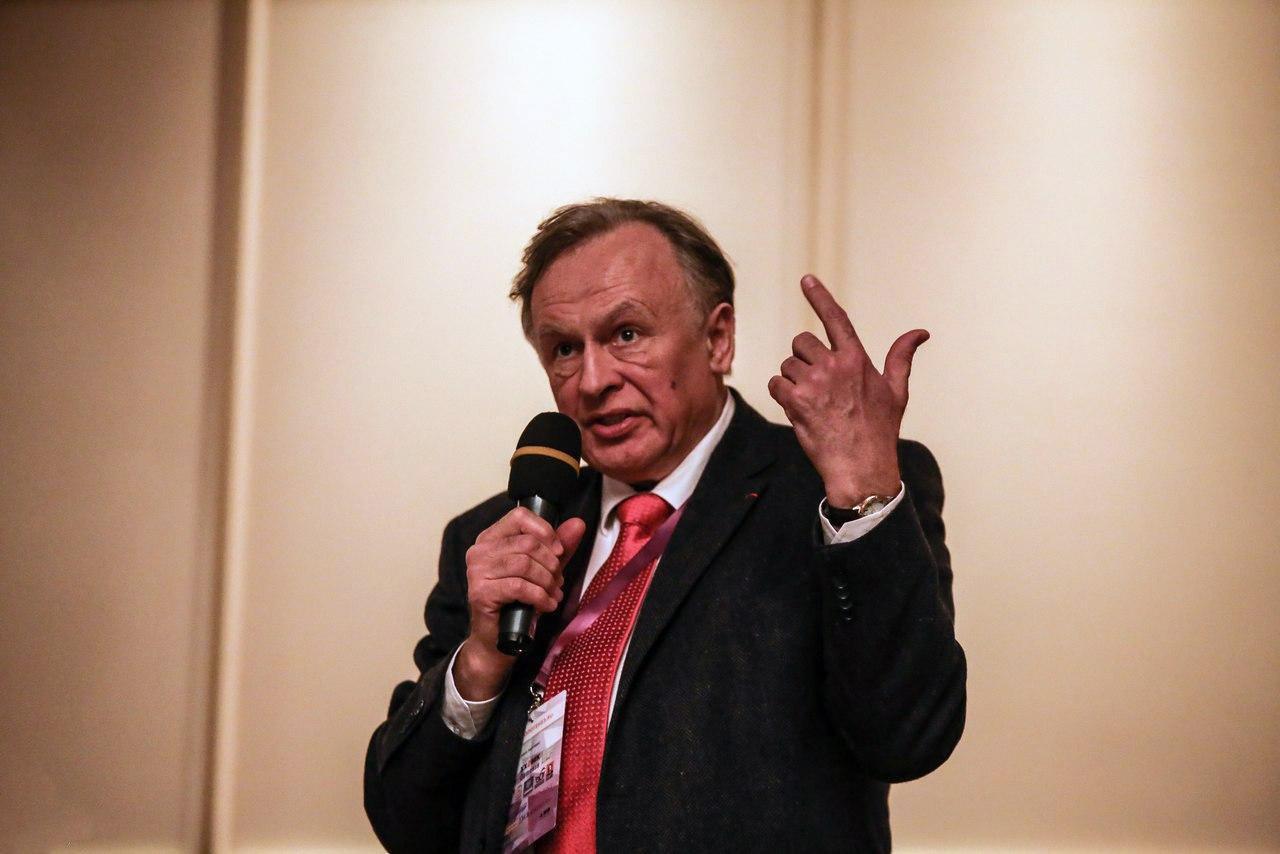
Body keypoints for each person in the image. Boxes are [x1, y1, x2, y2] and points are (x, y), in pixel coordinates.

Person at [364, 198, 965, 853]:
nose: (592, 380)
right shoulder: (499, 541)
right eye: (564, 348)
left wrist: (865, 498)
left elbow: (907, 737)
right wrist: (480, 661)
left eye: (626, 334)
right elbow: (406, 823)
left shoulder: (833, 497)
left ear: (717, 338)